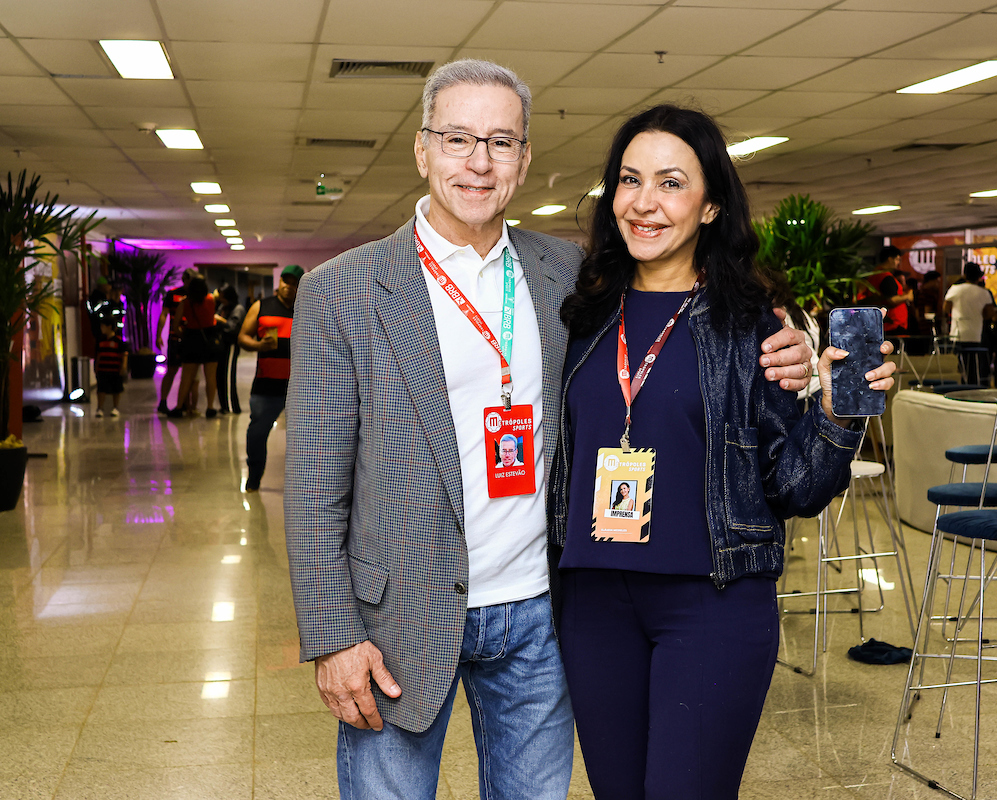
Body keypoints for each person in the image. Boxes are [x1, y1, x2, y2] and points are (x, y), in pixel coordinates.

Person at [283, 60, 816, 800]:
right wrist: (333, 636)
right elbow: (314, 487)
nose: (478, 162)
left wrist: (791, 348)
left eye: (501, 142)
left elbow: (693, 320)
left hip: (543, 613)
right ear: (421, 149)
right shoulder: (341, 289)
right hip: (398, 617)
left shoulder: (567, 275)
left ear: (525, 160)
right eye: (458, 137)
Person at [551, 105, 895, 800]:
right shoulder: (577, 313)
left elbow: (797, 488)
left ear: (711, 207)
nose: (644, 202)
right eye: (629, 179)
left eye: (671, 183)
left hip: (711, 604)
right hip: (591, 603)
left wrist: (836, 411)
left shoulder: (751, 327)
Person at [239, 265, 302, 492]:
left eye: (294, 282)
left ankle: (304, 485)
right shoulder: (262, 306)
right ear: (280, 283)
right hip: (266, 386)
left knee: (305, 440)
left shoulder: (305, 308)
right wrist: (258, 345)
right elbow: (243, 337)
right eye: (285, 281)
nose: (288, 286)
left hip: (300, 387)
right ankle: (254, 477)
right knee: (256, 433)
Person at [168, 276, 224, 418]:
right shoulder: (211, 300)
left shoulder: (185, 303)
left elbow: (175, 326)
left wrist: (183, 336)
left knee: (187, 377)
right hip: (209, 339)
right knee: (211, 377)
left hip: (192, 340)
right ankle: (210, 407)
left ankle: (179, 407)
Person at [943, 262, 996, 384]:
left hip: (958, 333)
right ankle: (974, 388)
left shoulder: (955, 289)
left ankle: (958, 388)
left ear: (965, 275)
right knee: (975, 366)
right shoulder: (984, 293)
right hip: (976, 334)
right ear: (978, 276)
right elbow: (989, 313)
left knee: (958, 366)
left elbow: (945, 308)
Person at [156, 267, 198, 414]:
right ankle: (163, 401)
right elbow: (164, 314)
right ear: (185, 280)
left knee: (189, 373)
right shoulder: (173, 294)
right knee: (172, 369)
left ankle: (186, 404)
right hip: (175, 338)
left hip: (191, 338)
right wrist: (158, 334)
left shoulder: (196, 296)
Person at [216, 285, 245, 414]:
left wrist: (220, 321)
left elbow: (233, 328)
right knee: (220, 375)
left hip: (231, 345)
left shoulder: (237, 309)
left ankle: (231, 406)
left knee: (228, 375)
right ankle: (223, 405)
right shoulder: (222, 307)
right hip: (221, 345)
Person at [871, 245, 913, 335]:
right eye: (897, 259)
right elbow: (891, 299)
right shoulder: (885, 277)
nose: (898, 263)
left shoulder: (874, 274)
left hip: (884, 323)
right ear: (890, 259)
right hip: (893, 324)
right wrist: (908, 296)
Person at [92, 315, 128, 418]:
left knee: (116, 389)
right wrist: (96, 367)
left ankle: (115, 407)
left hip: (115, 370)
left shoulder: (119, 342)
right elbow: (98, 355)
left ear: (109, 327)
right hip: (103, 369)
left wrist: (123, 367)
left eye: (103, 326)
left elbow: (124, 355)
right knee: (101, 389)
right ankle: (100, 408)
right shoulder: (100, 341)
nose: (101, 328)